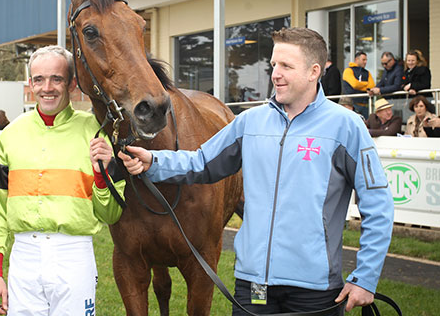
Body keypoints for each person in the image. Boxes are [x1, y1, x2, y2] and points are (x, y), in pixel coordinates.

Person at [118, 28, 394, 315]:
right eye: (274, 64)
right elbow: (200, 162)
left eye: (286, 66)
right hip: (254, 286)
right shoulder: (250, 122)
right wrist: (154, 161)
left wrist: (366, 278)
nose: (275, 74)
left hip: (315, 290)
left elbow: (378, 205)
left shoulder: (346, 127)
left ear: (314, 71)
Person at [0, 45, 126, 315]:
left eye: (56, 79)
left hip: (74, 256)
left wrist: (101, 175)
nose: (47, 87)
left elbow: (111, 214)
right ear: (30, 83)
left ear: (72, 83)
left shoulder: (95, 132)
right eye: (39, 79)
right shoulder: (11, 135)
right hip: (24, 256)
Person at [342, 51, 375, 118]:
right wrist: (366, 84)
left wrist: (360, 85)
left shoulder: (367, 72)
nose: (365, 62)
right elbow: (355, 84)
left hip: (365, 105)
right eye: (363, 60)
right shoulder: (348, 71)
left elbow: (372, 86)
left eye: (366, 60)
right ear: (356, 59)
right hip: (351, 104)